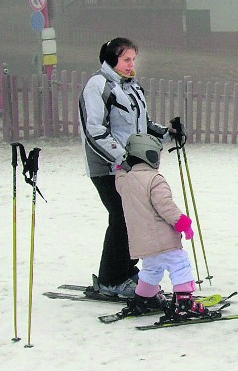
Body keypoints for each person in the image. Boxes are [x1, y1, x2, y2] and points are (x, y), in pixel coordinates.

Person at [79, 37, 185, 298]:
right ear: (111, 59)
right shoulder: (98, 86)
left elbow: (143, 125)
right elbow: (95, 131)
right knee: (121, 218)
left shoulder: (131, 87)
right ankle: (110, 280)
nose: (131, 64)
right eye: (126, 59)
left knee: (132, 219)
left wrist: (168, 134)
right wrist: (120, 157)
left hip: (131, 167)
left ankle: (126, 271)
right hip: (107, 166)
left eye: (133, 59)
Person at [114, 133, 214, 321]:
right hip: (163, 240)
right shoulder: (155, 179)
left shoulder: (125, 181)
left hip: (142, 244)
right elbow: (166, 206)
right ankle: (184, 303)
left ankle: (144, 298)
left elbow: (119, 178)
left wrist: (121, 168)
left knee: (151, 269)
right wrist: (183, 223)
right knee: (179, 264)